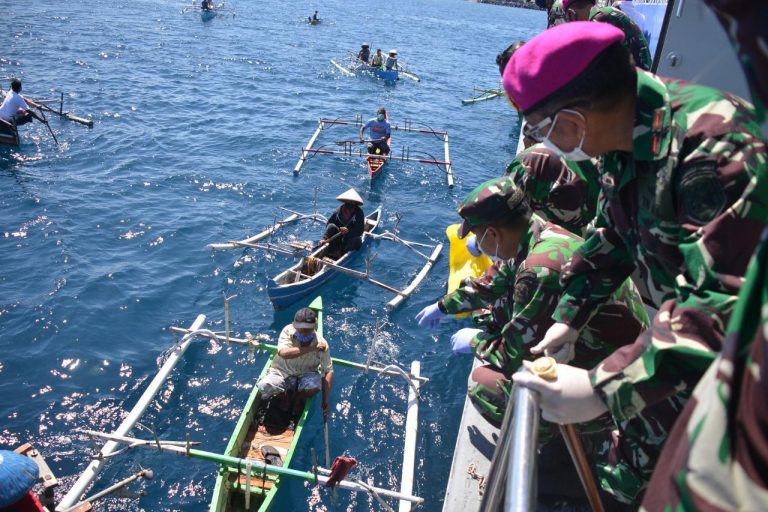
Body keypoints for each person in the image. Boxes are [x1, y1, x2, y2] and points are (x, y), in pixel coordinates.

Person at [503, 20, 766, 462]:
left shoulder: (716, 149)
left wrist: (601, 388)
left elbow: (722, 303)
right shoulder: (625, 135)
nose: (542, 143)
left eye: (543, 130)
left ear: (572, 120)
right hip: (681, 341)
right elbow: (612, 237)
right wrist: (570, 318)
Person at [415, 177, 683, 504]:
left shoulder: (539, 270)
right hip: (620, 347)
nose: (478, 244)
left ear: (493, 234)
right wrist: (443, 306)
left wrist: (474, 342)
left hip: (610, 379)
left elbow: (515, 355)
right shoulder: (542, 232)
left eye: (477, 236)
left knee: (483, 383)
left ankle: (561, 434)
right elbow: (491, 283)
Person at [256, 307, 333, 417]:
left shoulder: (322, 343)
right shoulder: (287, 331)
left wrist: (325, 400)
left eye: (307, 329)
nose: (303, 332)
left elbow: (328, 371)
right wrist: (312, 348)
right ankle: (284, 396)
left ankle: (299, 398)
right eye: (300, 328)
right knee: (264, 386)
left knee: (315, 386)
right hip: (282, 371)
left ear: (314, 328)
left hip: (306, 373)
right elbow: (284, 353)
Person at [562, 0, 652, 70]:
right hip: (639, 77)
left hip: (635, 83)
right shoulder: (603, 13)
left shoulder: (598, 21)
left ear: (571, 14)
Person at [319, 188, 365, 260]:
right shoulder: (339, 211)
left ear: (355, 204)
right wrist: (325, 238)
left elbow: (360, 230)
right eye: (348, 203)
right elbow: (330, 223)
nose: (350, 205)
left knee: (356, 239)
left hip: (350, 239)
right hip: (339, 239)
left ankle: (343, 255)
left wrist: (348, 231)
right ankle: (331, 249)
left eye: (352, 203)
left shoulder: (359, 213)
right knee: (331, 226)